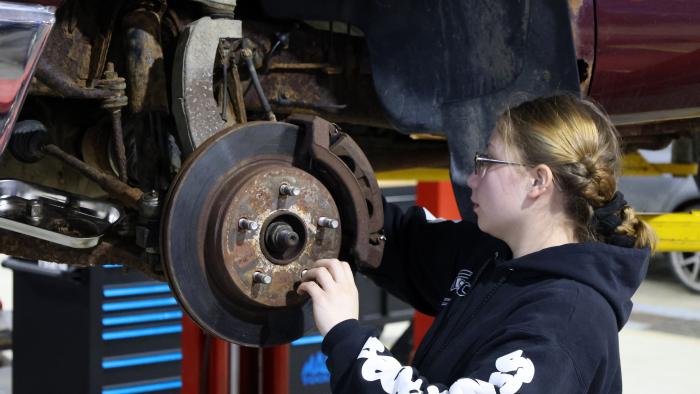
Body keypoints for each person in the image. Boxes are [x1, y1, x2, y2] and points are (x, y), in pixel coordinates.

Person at [297, 94, 656, 393]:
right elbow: (399, 239)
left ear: (537, 181)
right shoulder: (492, 256)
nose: (471, 179)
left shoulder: (566, 321)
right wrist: (324, 187)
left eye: (486, 162)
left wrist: (346, 334)